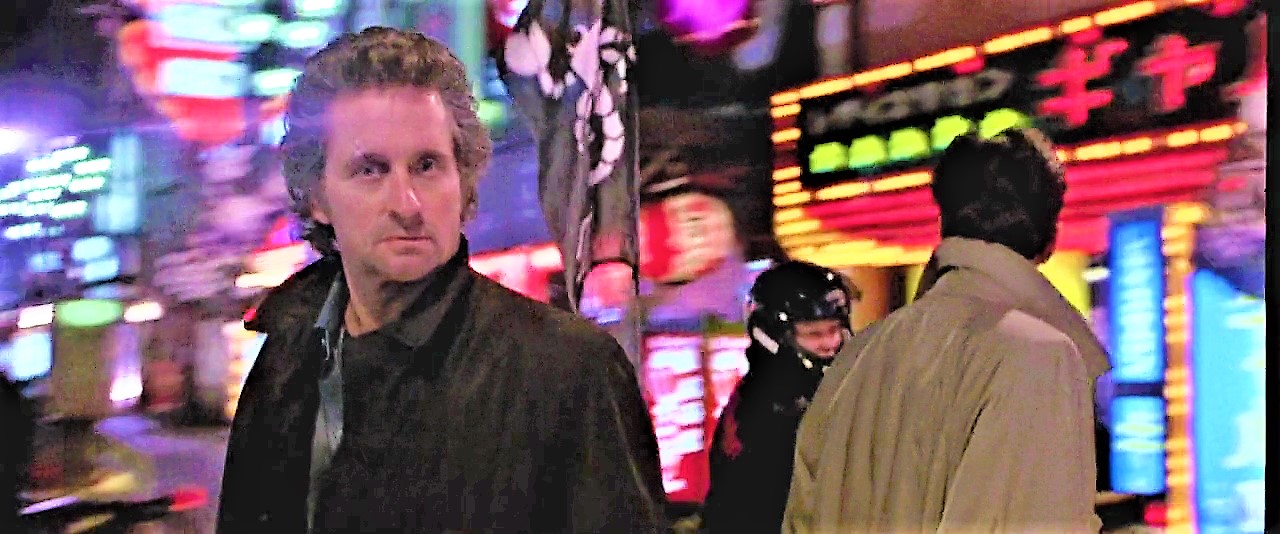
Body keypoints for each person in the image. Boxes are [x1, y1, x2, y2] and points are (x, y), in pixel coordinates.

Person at [216, 28, 667, 533]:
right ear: (317, 197)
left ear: (464, 180)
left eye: (427, 166)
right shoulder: (283, 362)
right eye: (371, 170)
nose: (407, 204)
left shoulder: (570, 372)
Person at [783, 128, 1111, 533]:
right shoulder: (1040, 357)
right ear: (1049, 237)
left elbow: (801, 518)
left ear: (946, 222)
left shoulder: (857, 356)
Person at [701, 261, 858, 533]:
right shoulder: (767, 409)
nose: (830, 344)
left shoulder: (795, 397)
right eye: (813, 334)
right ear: (774, 336)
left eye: (834, 330)